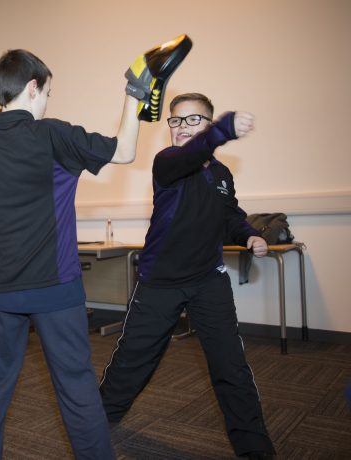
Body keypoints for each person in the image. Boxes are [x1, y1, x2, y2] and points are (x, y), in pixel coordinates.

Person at [0, 36, 191, 460]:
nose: (46, 101)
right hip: (54, 286)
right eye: (47, 92)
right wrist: (134, 95)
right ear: (32, 87)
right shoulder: (52, 135)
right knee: (77, 389)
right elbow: (124, 150)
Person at [99, 93, 276, 460]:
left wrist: (250, 235)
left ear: (207, 124)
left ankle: (255, 447)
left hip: (208, 281)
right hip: (159, 282)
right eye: (176, 120)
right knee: (133, 362)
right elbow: (191, 154)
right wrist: (224, 129)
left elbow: (230, 216)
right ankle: (97, 422)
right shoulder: (169, 163)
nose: (182, 127)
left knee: (232, 367)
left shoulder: (222, 174)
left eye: (194, 120)